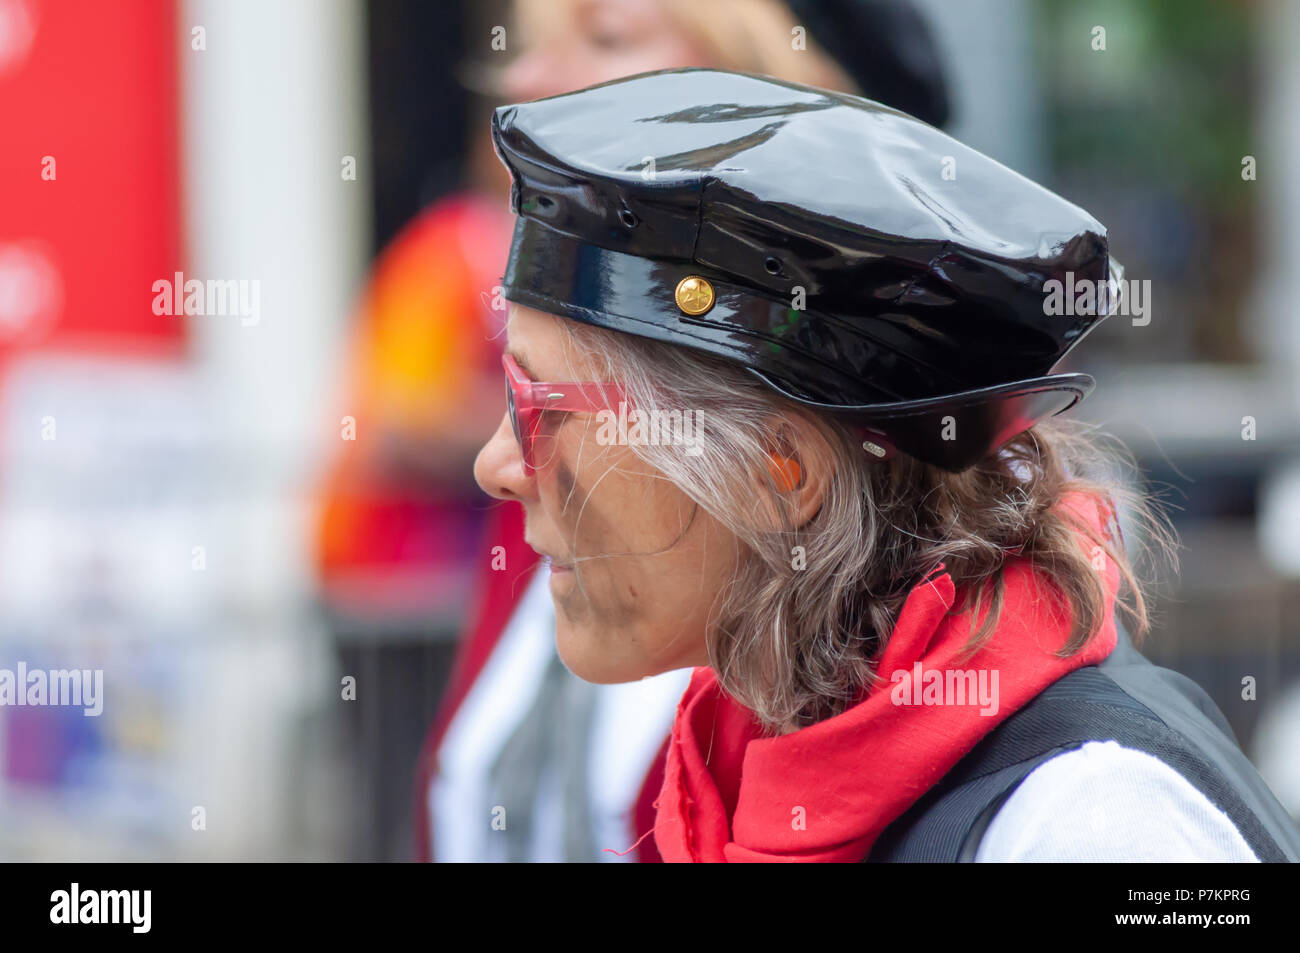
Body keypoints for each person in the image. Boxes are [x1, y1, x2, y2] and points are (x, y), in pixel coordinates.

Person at [473, 66, 1300, 862]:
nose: (497, 464)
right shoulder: (747, 755)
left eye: (536, 403)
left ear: (777, 471)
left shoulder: (1091, 824)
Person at [416, 0, 951, 862]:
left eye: (609, 37)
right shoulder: (561, 491)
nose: (524, 81)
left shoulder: (1048, 790)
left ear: (793, 99)